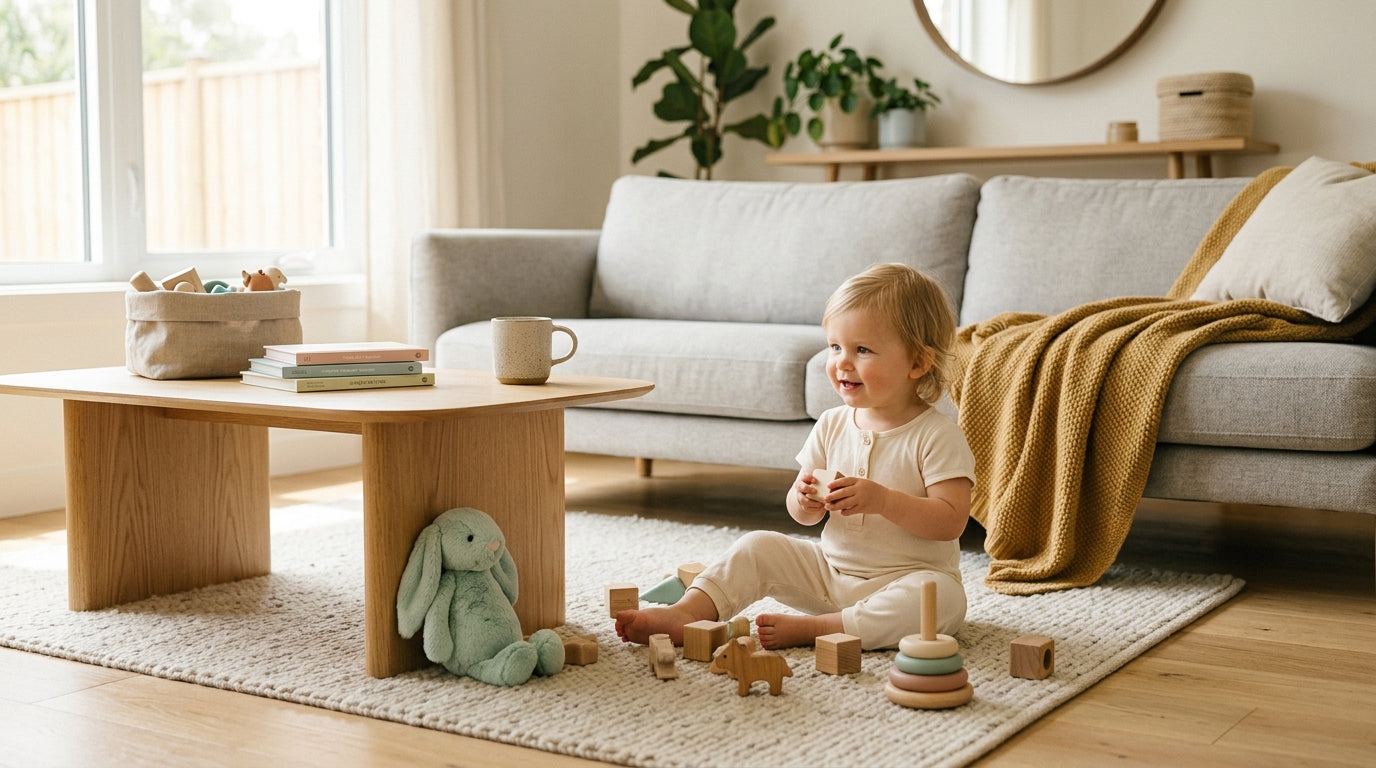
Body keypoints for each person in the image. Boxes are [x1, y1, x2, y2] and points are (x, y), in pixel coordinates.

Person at [615, 263, 974, 651]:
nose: (842, 363)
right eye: (835, 347)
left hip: (908, 580)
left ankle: (819, 629)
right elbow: (801, 515)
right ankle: (689, 610)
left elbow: (950, 521)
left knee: (942, 600)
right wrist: (803, 499)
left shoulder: (937, 435)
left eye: (862, 350)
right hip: (829, 575)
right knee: (759, 545)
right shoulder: (832, 424)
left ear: (918, 363)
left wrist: (883, 500)